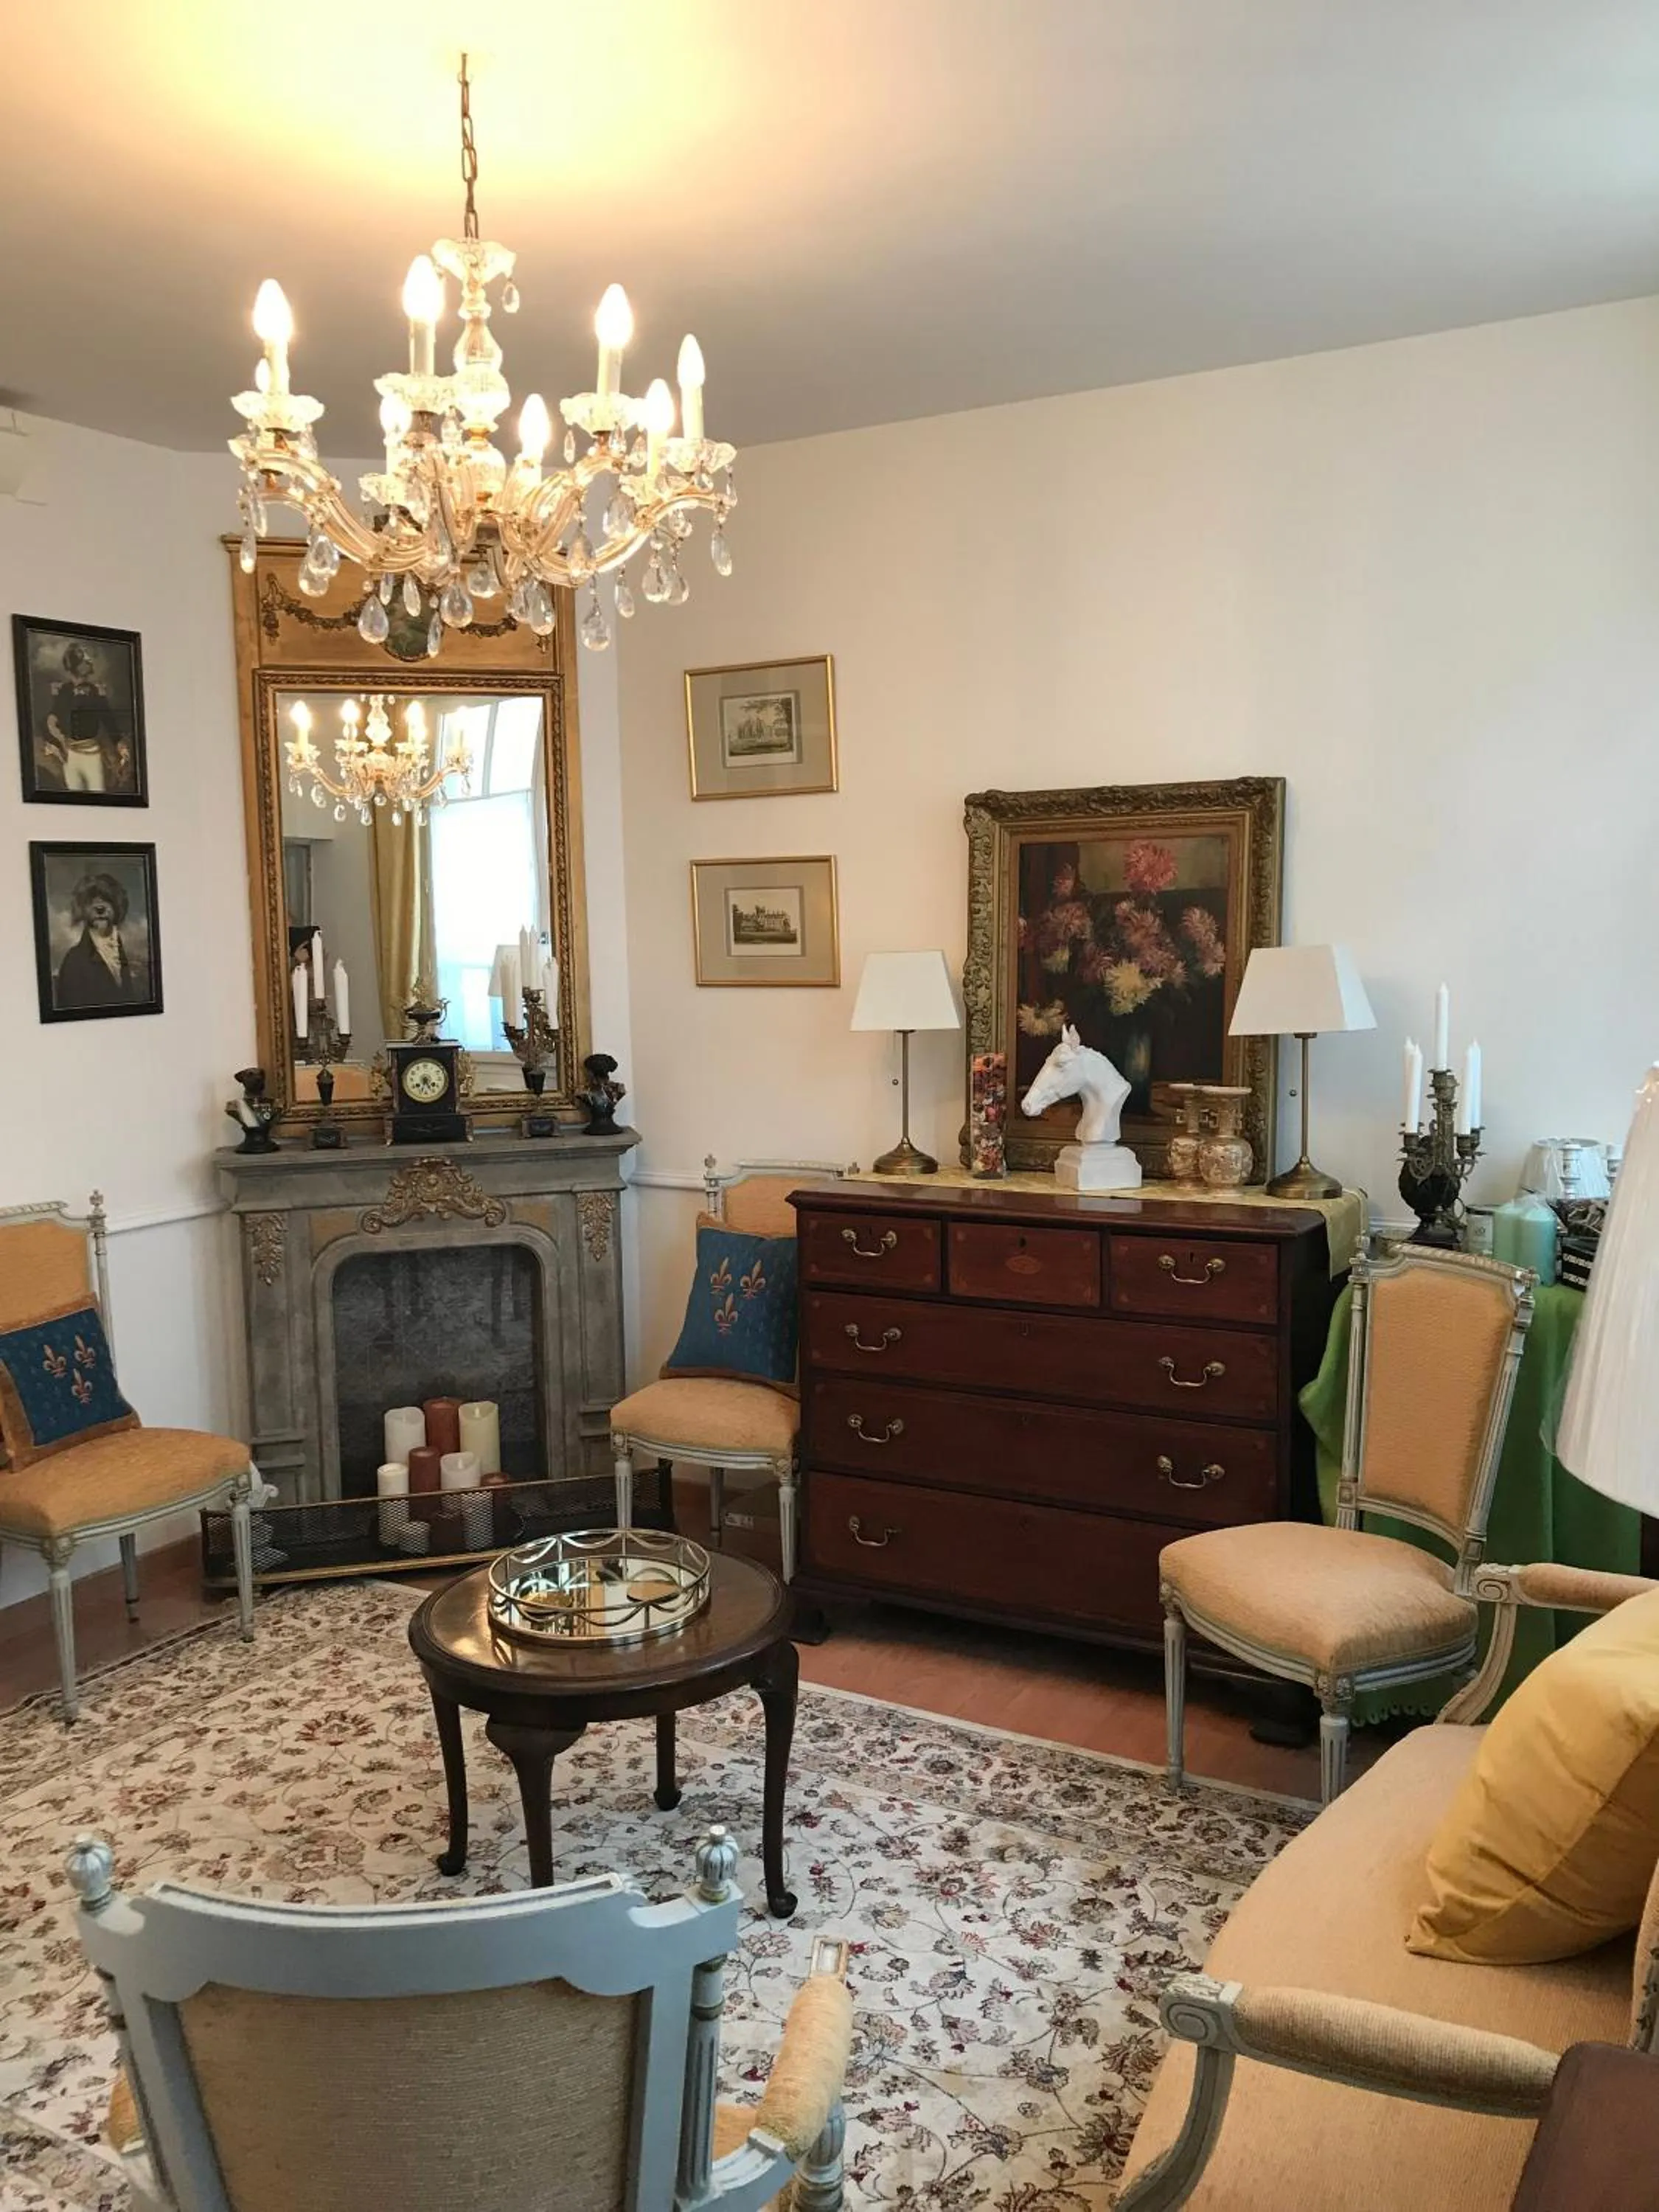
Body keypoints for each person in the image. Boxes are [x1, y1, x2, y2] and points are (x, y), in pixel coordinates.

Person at [43, 644, 128, 793]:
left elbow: (109, 720)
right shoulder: (65, 691)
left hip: (92, 755)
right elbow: (53, 717)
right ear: (75, 664)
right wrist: (57, 737)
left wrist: (120, 745)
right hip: (70, 756)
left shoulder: (95, 691)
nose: (89, 661)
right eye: (85, 659)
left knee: (98, 796)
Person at [55, 872, 145, 1007]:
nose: (100, 907)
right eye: (91, 902)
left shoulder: (125, 955)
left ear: (118, 906)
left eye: (107, 900)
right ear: (82, 909)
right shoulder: (73, 960)